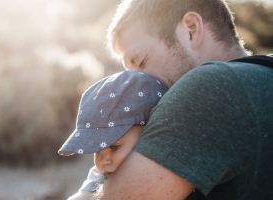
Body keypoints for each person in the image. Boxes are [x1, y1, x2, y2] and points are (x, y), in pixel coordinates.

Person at [90, 0, 273, 199]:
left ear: (191, 30)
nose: (135, 84)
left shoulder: (209, 87)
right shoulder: (262, 78)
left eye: (141, 61)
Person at [58, 70, 168, 199]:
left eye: (114, 147)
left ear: (150, 131)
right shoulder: (101, 177)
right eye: (97, 150)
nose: (103, 161)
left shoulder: (169, 170)